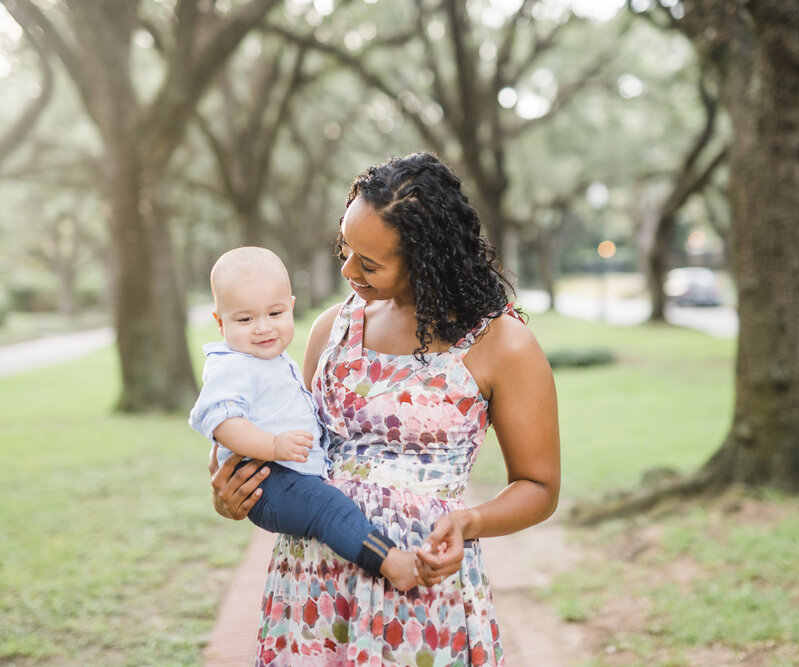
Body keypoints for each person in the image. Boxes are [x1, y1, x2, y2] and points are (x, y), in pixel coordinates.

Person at [209, 152, 561, 666]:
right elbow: (285, 441)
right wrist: (230, 492)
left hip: (416, 590)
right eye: (346, 248)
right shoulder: (333, 329)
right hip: (310, 585)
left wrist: (469, 522)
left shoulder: (501, 344)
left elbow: (540, 486)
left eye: (369, 263)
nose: (348, 269)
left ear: (428, 260)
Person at [190, 246, 420, 589]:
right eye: (245, 319)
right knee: (329, 509)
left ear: (291, 308)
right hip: (268, 479)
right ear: (220, 322)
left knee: (326, 507)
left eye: (275, 313)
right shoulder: (233, 366)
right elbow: (223, 423)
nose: (262, 328)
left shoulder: (266, 359)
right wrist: (273, 444)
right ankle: (389, 561)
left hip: (284, 471)